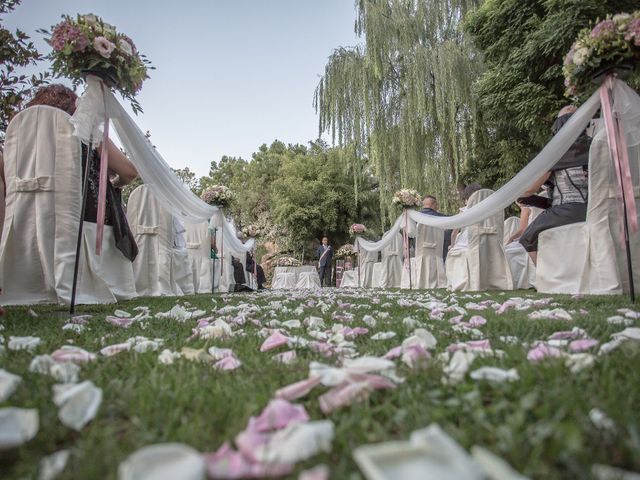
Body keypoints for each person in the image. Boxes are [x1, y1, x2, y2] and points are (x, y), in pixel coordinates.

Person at [518, 106, 590, 265]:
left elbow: (530, 189)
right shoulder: (595, 146)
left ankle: (547, 278)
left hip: (568, 211)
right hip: (594, 209)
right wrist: (530, 200)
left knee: (527, 238)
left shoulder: (557, 153)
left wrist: (518, 194)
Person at [420, 195, 452, 260]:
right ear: (434, 204)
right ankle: (443, 262)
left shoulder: (415, 217)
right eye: (437, 204)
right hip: (437, 250)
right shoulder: (440, 217)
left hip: (420, 249)